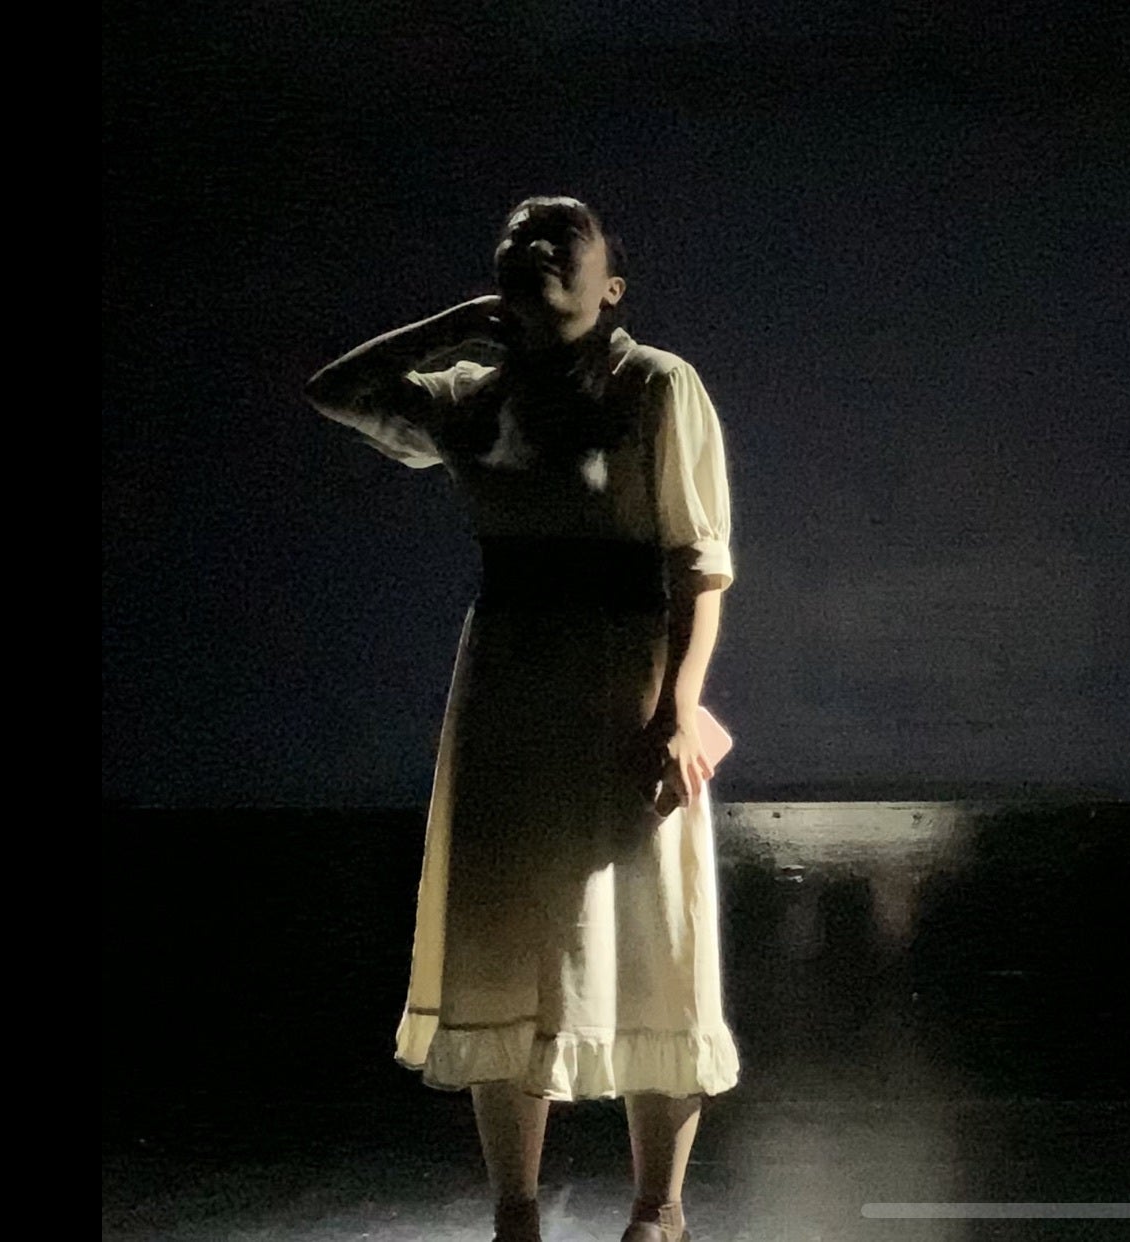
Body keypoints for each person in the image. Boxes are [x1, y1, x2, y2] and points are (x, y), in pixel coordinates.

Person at [306, 196, 739, 1242]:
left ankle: (658, 1209)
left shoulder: (654, 385)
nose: (536, 248)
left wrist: (678, 708)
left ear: (611, 285)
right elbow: (337, 391)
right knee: (502, 937)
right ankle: (515, 1214)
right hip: (509, 684)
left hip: (626, 682)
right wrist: (457, 324)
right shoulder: (475, 394)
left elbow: (700, 564)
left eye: (561, 237)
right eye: (518, 238)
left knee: (650, 933)